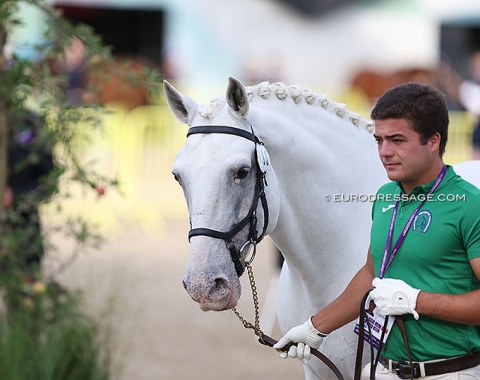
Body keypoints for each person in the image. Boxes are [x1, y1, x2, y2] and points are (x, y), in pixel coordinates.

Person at [273, 82, 480, 379]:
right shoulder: (385, 198)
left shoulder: (469, 205)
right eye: (379, 140)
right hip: (386, 370)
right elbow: (372, 274)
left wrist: (415, 301)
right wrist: (314, 327)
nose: (384, 152)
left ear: (433, 140)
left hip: (449, 372)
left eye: (397, 140)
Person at [2, 110, 55, 278]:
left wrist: (15, 194)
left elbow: (49, 183)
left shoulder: (29, 124)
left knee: (26, 293)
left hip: (23, 231)